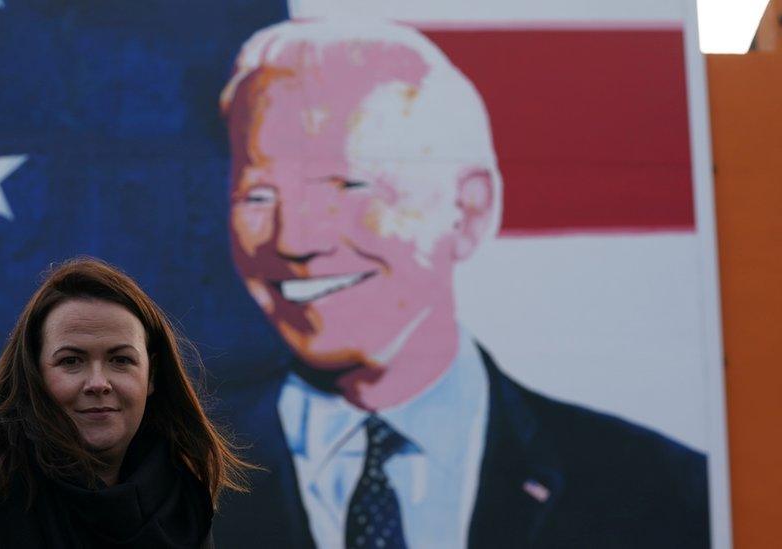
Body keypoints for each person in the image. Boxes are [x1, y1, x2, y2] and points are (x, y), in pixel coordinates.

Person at [213, 19, 710, 548]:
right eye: (258, 195)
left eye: (350, 184)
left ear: (468, 211)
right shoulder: (167, 462)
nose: (294, 239)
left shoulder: (660, 489)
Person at [0, 257, 248, 548]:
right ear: (35, 376)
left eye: (121, 360)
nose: (98, 383)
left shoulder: (184, 510)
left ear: (151, 377)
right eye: (71, 361)